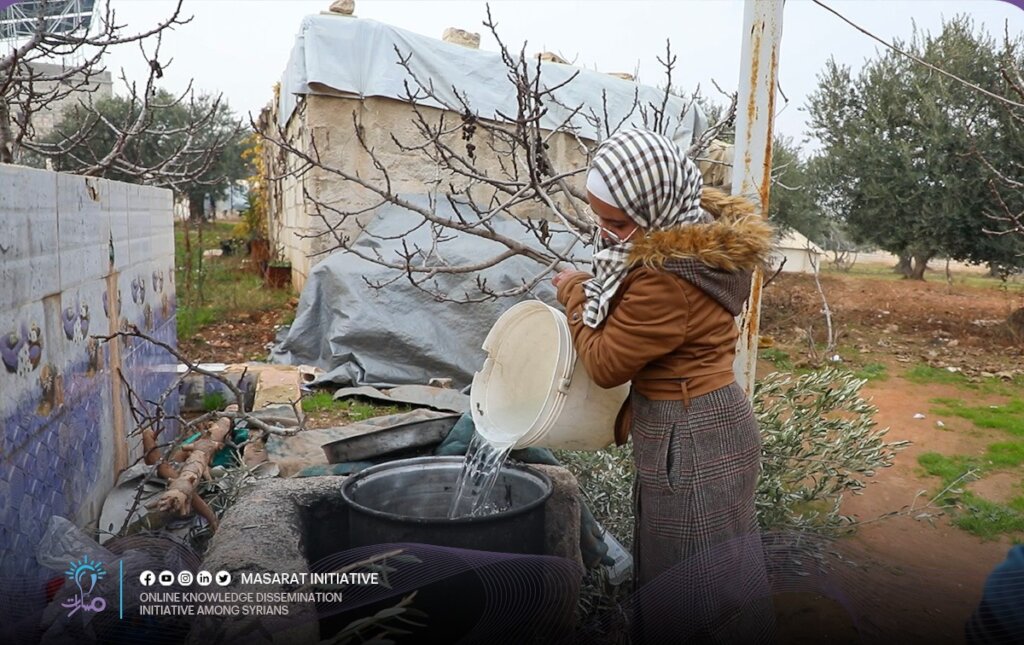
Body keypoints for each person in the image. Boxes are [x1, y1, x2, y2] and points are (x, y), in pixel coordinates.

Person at [552, 128, 775, 642]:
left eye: (617, 223)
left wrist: (574, 292)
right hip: (704, 424)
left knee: (694, 590)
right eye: (599, 218)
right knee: (708, 577)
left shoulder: (666, 276)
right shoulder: (697, 244)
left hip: (692, 435)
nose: (606, 233)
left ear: (654, 209)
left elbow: (606, 363)